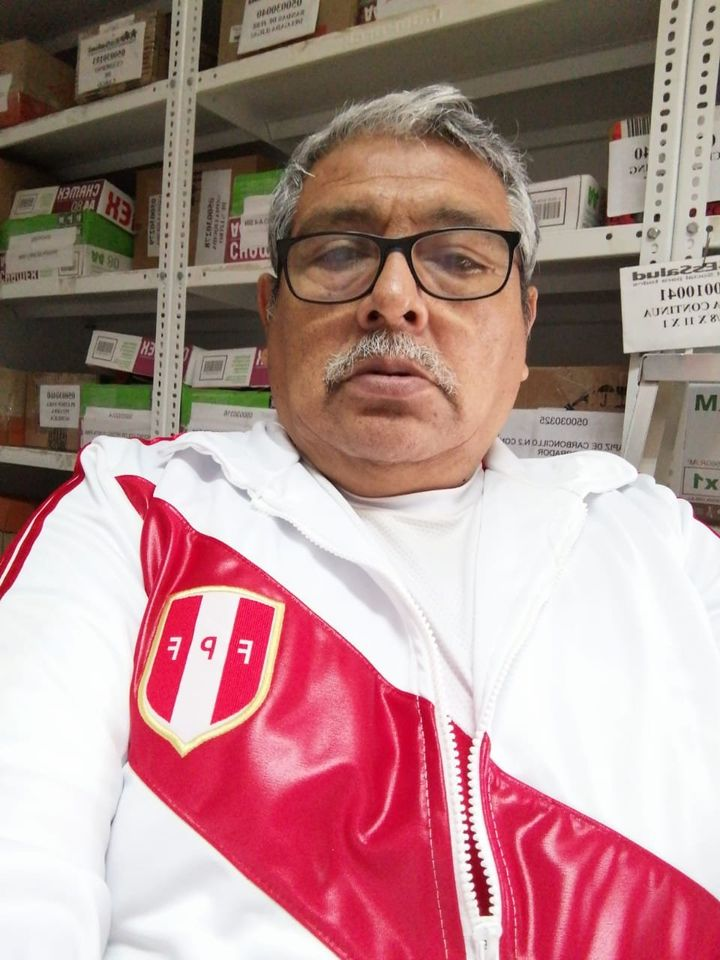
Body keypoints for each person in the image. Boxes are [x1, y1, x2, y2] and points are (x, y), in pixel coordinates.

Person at [0, 84, 719, 960]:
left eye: (458, 261)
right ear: (271, 311)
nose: (395, 299)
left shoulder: (654, 541)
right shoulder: (136, 514)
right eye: (341, 254)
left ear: (525, 326)